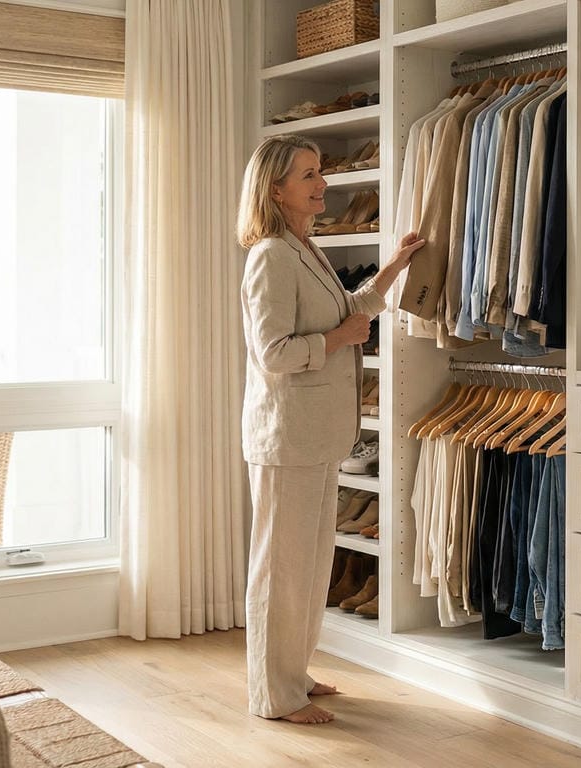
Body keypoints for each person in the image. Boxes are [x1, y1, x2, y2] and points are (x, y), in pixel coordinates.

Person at [235, 135, 423, 724]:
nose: (323, 184)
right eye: (310, 175)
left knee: (312, 566)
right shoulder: (269, 254)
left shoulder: (305, 248)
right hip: (285, 436)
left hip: (316, 434)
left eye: (321, 173)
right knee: (281, 568)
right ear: (275, 188)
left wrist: (394, 265)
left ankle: (294, 673)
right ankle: (273, 695)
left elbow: (350, 309)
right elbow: (273, 352)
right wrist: (337, 342)